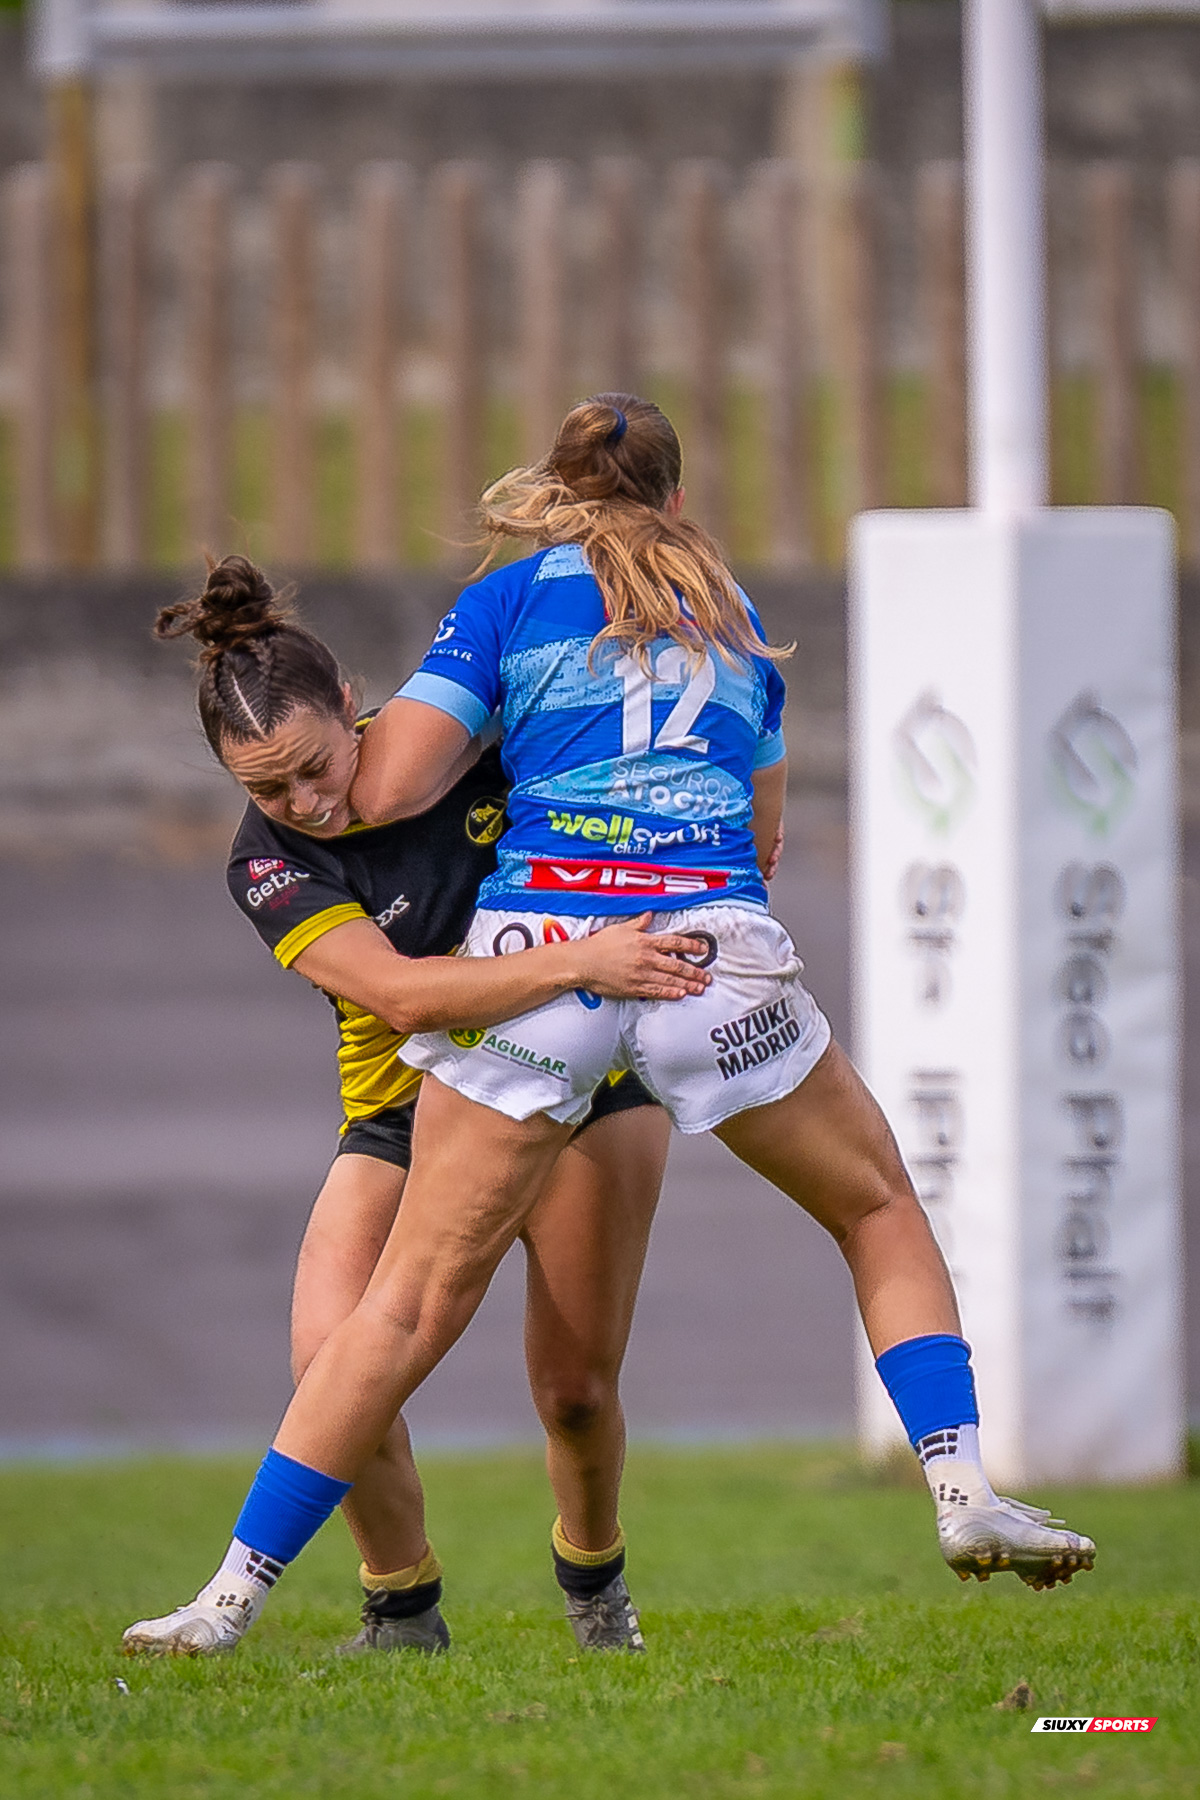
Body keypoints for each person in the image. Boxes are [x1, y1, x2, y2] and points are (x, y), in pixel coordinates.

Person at [124, 399, 1094, 1661]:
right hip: (706, 962)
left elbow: (393, 783)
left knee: (407, 1309)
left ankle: (230, 1600)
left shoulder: (511, 602)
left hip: (541, 961)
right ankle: (963, 1494)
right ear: (677, 505)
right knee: (874, 1207)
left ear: (556, 501)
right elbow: (764, 835)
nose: (306, 801)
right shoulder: (738, 617)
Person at [123, 554, 714, 1658]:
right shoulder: (267, 862)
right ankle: (402, 1609)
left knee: (577, 1390)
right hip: (406, 1105)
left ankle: (595, 1586)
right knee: (328, 1354)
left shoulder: (465, 741)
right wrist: (585, 955)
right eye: (267, 790)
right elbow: (397, 996)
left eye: (314, 768)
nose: (309, 804)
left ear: (356, 703)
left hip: (584, 1081)